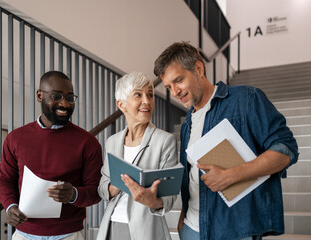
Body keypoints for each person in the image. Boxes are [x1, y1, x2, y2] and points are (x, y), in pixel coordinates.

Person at [153, 42, 299, 240]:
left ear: (199, 68)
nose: (175, 92)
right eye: (169, 87)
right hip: (191, 229)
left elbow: (286, 149)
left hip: (234, 230)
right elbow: (192, 179)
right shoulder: (188, 124)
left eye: (178, 81)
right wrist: (182, 221)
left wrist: (231, 175)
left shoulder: (246, 99)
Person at [0, 71, 103, 240]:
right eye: (57, 96)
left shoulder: (88, 142)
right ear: (40, 96)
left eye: (69, 98)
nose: (65, 104)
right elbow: (4, 179)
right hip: (24, 234)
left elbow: (97, 191)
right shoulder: (15, 138)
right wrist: (10, 206)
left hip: (68, 235)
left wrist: (73, 194)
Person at [97, 72, 178, 240]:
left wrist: (152, 201)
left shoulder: (165, 141)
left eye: (150, 95)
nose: (146, 101)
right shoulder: (112, 142)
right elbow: (103, 189)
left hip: (147, 230)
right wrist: (120, 182)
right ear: (122, 105)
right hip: (112, 225)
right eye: (138, 95)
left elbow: (169, 198)